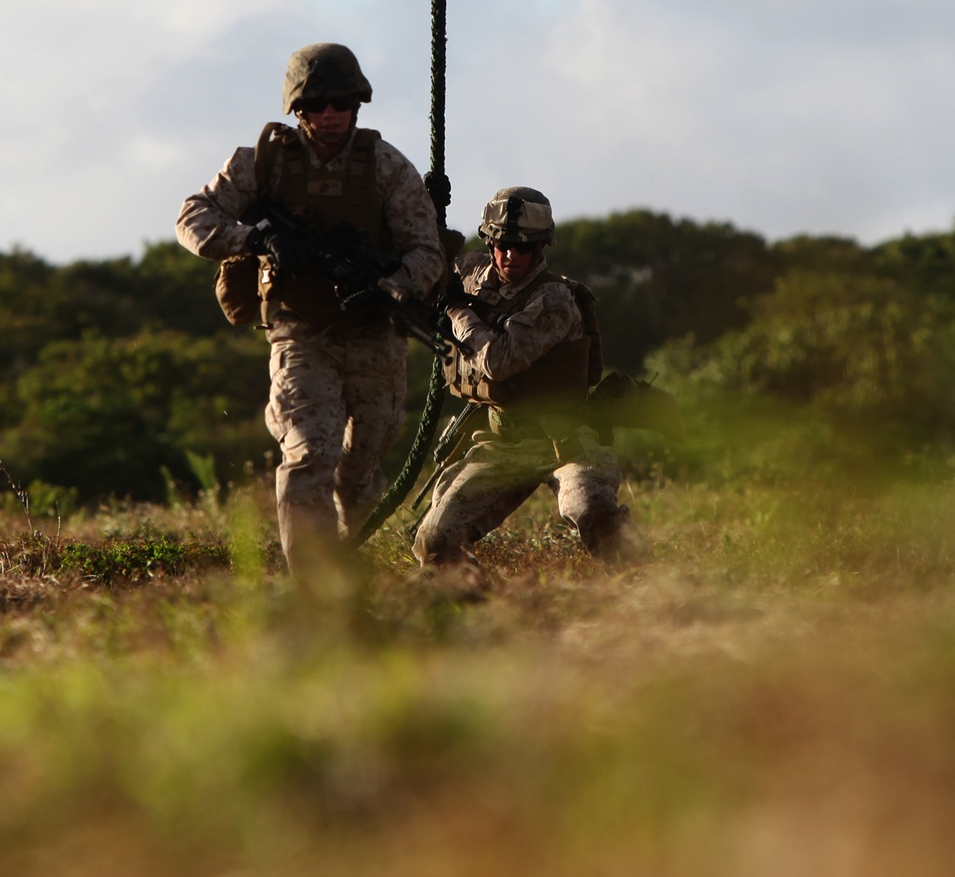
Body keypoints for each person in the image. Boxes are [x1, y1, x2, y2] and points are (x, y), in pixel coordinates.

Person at [176, 43, 444, 568]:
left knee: (359, 473)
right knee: (308, 456)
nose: (329, 115)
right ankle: (318, 590)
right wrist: (255, 240)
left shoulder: (386, 167)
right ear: (297, 108)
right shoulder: (262, 163)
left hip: (374, 334)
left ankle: (365, 575)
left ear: (357, 105)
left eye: (340, 104)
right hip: (300, 334)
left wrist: (392, 284)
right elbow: (192, 218)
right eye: (317, 104)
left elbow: (427, 250)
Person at [412, 186, 636, 571]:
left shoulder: (553, 299)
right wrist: (425, 219)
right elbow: (420, 274)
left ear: (542, 247)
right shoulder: (468, 272)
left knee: (594, 513)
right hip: (503, 441)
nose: (511, 255)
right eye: (501, 244)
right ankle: (472, 604)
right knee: (434, 542)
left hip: (564, 440)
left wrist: (455, 310)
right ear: (488, 241)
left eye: (523, 246)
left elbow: (499, 361)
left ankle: (646, 583)